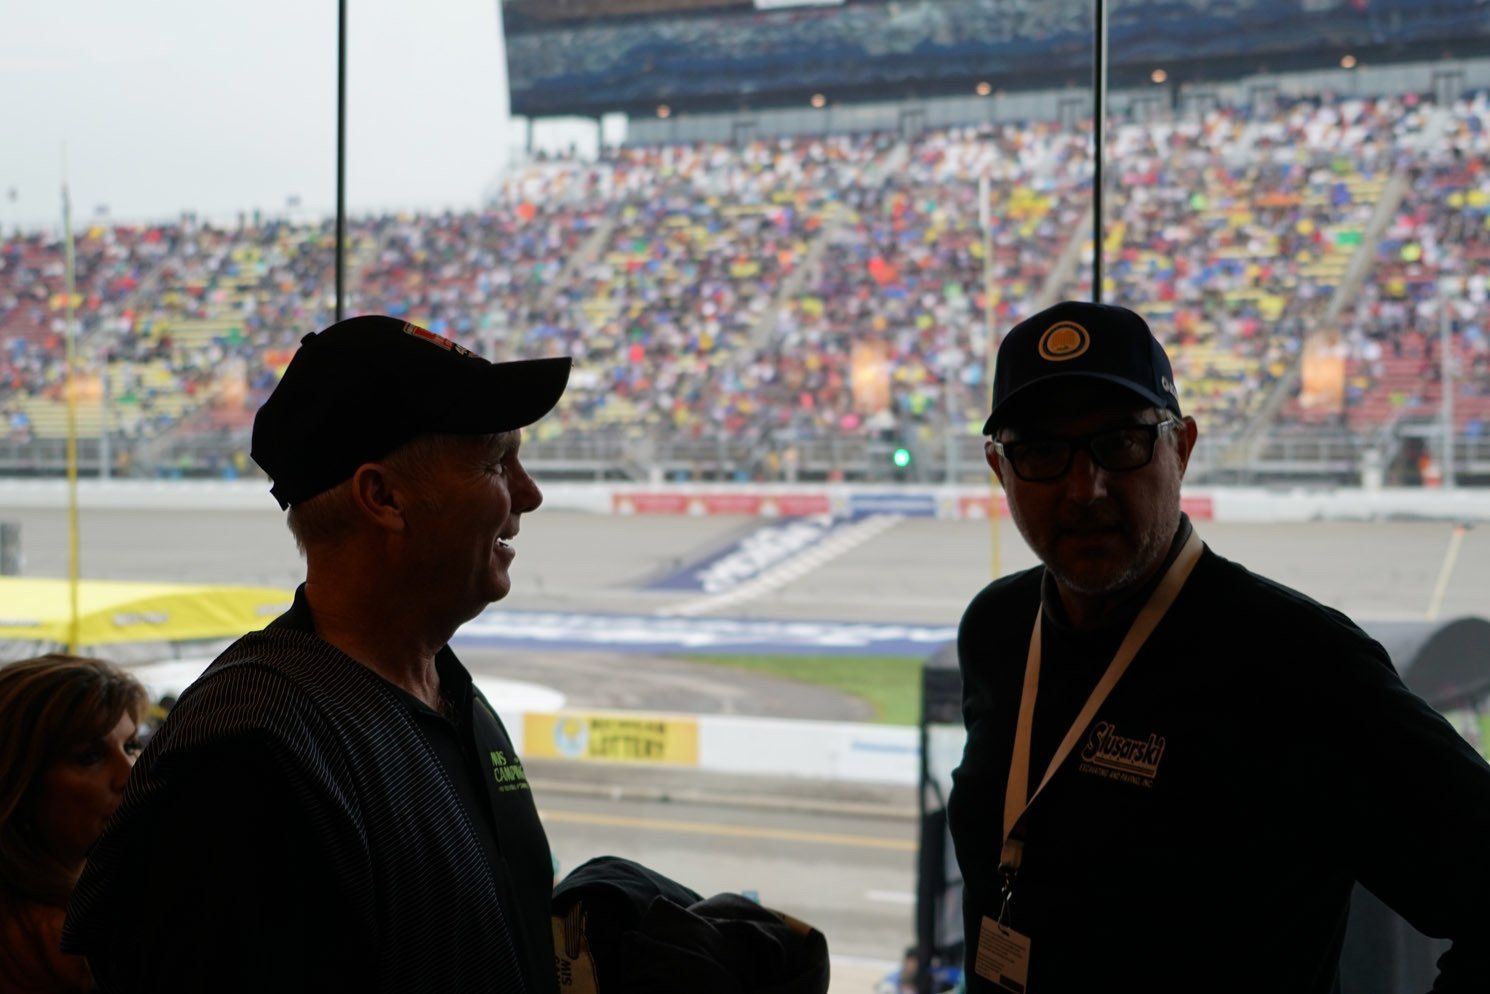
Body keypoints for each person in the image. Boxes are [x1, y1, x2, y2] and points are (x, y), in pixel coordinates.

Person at [947, 301, 1490, 993]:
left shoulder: (1298, 662)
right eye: (1043, 452)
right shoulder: (997, 628)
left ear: (1182, 448)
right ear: (1001, 470)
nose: (1086, 488)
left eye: (1121, 442)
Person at [64, 316, 572, 993]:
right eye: (494, 462)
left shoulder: (446, 693)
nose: (529, 495)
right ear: (384, 497)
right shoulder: (251, 751)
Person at [0, 655, 146, 994]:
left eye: (131, 746)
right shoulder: (59, 942)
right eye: (90, 757)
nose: (131, 774)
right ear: (18, 785)